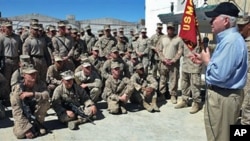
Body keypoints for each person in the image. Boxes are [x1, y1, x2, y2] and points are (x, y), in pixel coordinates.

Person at [189, 2, 247, 141]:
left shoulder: (230, 42)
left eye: (214, 18)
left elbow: (219, 75)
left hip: (223, 97)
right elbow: (223, 68)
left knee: (220, 137)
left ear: (226, 21)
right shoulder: (228, 40)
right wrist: (204, 60)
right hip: (223, 96)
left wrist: (207, 60)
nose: (210, 21)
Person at [10, 64, 50, 139]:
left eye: (34, 73)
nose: (33, 75)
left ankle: (38, 124)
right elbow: (17, 111)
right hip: (23, 115)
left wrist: (32, 94)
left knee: (45, 102)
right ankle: (25, 126)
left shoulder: (40, 84)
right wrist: (26, 129)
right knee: (20, 134)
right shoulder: (18, 89)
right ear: (24, 75)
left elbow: (47, 94)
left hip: (35, 112)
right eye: (30, 74)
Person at [155, 22, 183, 104]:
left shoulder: (178, 39)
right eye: (168, 28)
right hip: (164, 63)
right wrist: (163, 59)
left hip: (174, 63)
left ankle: (173, 95)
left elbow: (180, 51)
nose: (170, 30)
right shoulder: (162, 38)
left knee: (173, 79)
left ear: (174, 29)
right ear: (167, 29)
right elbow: (159, 50)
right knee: (163, 79)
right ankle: (162, 94)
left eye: (171, 28)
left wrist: (174, 60)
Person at [175, 43, 202, 114]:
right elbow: (180, 51)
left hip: (195, 65)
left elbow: (204, 52)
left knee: (195, 85)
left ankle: (196, 103)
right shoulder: (184, 39)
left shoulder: (199, 38)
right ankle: (184, 101)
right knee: (184, 84)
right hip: (185, 64)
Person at [0, 20, 22, 102]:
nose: (9, 29)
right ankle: (7, 98)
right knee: (6, 80)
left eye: (10, 27)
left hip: (16, 60)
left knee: (16, 80)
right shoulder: (1, 38)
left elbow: (21, 49)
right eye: (8, 27)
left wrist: (21, 60)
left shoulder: (17, 37)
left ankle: (16, 97)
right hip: (6, 61)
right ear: (4, 28)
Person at [237, 16, 250, 125]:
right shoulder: (239, 39)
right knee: (239, 104)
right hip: (240, 76)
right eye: (238, 26)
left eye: (242, 26)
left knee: (247, 106)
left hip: (249, 78)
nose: (239, 28)